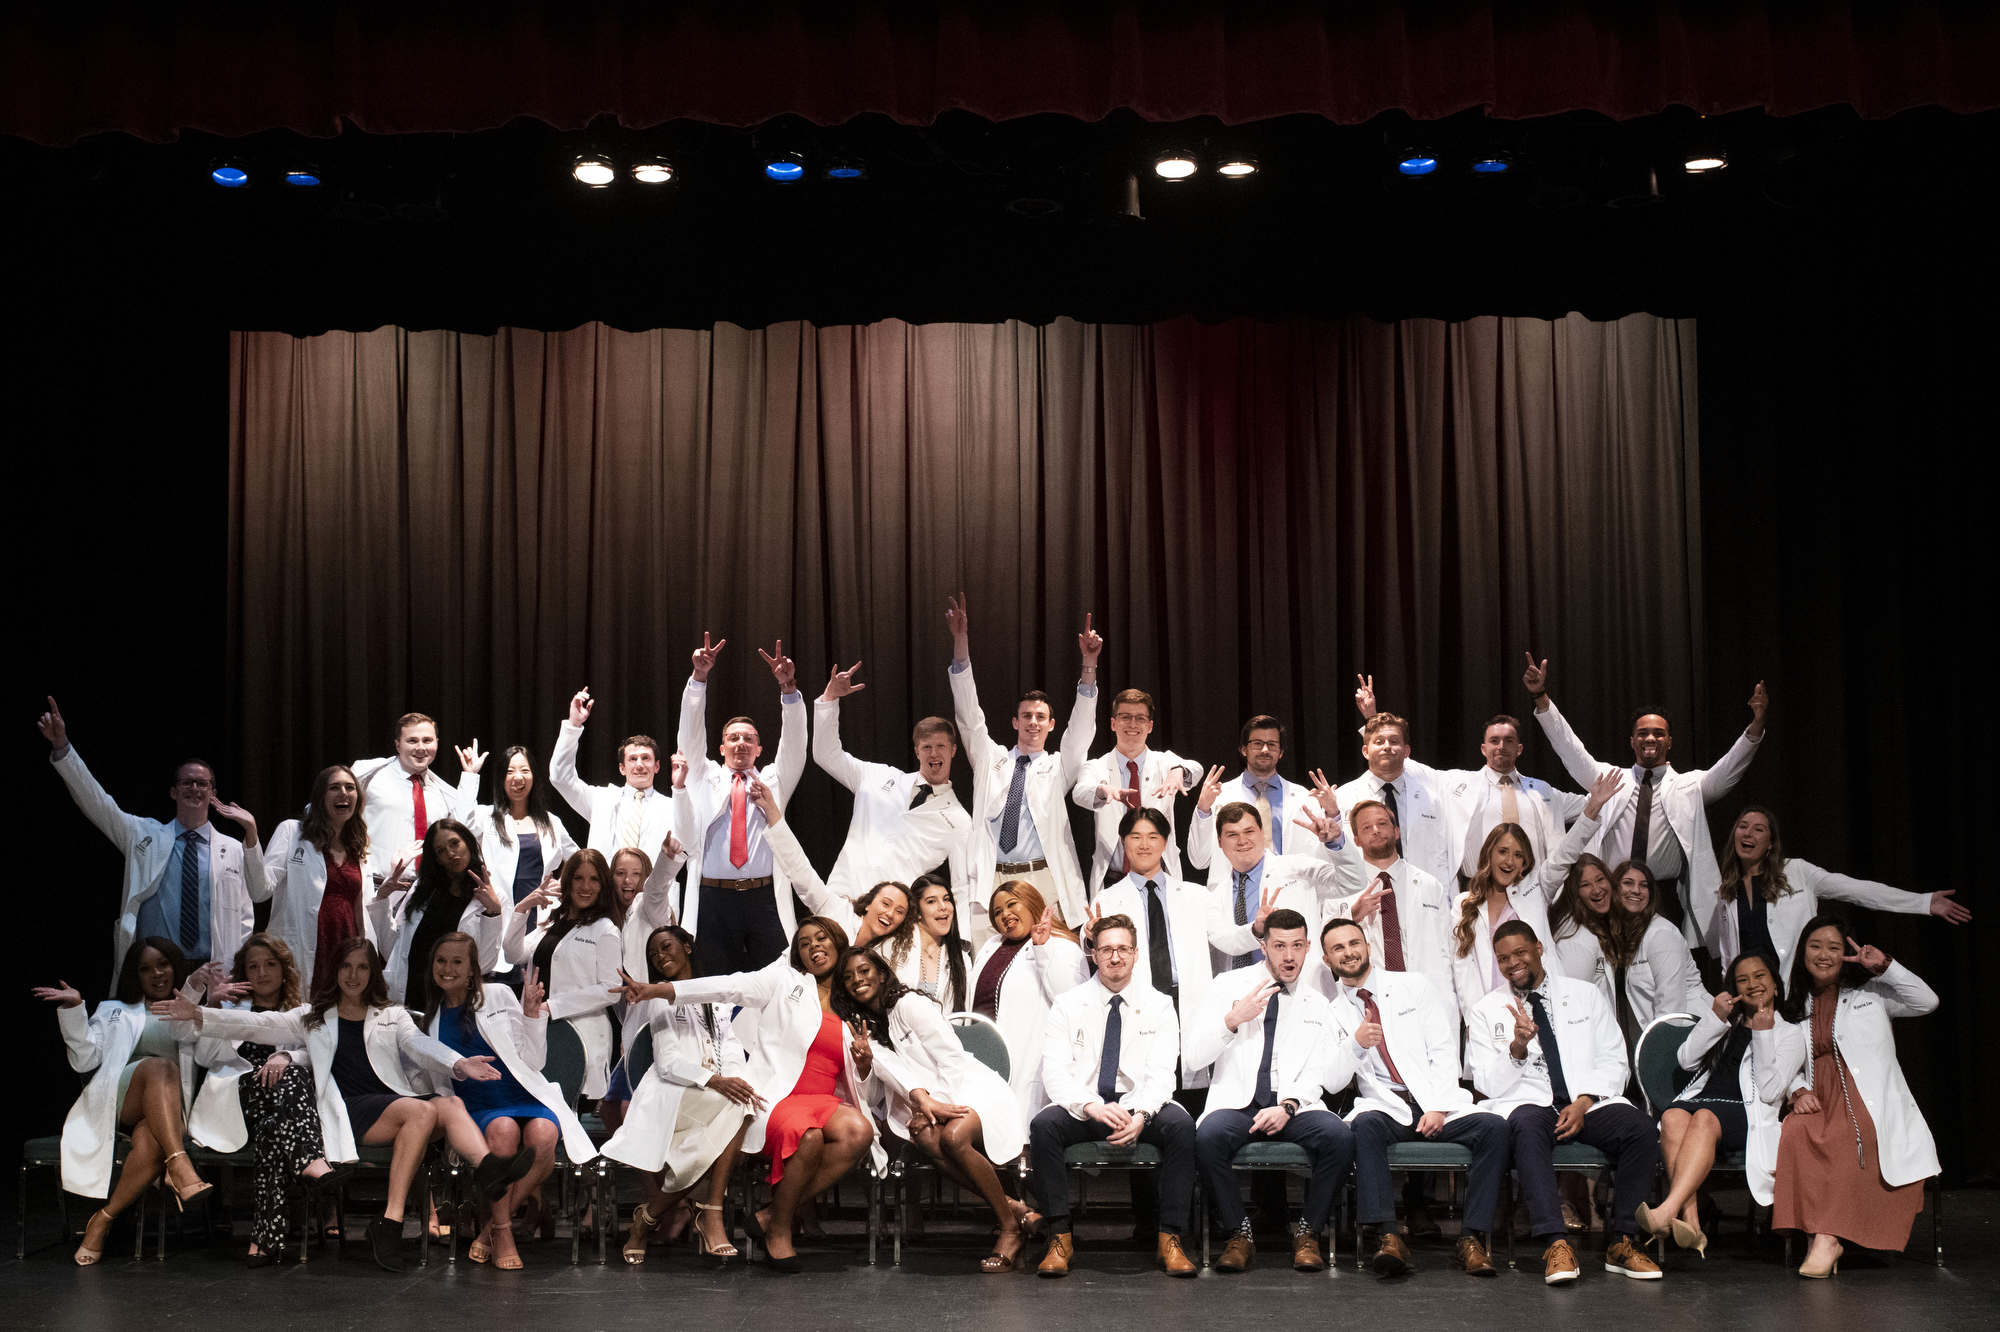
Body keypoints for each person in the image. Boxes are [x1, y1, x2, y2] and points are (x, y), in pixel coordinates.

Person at [150, 937, 530, 1272]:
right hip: (347, 1111)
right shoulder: (311, 1016)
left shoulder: (391, 1014)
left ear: (372, 973)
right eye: (347, 967)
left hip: (389, 1104)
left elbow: (419, 1044)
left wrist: (458, 1063)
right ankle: (395, 1219)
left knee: (449, 1106)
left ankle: (485, 1172)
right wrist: (199, 1013)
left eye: (363, 967)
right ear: (336, 971)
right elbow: (257, 1025)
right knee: (423, 1109)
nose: (354, 975)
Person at [620, 916, 882, 1271]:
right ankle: (779, 1232)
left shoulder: (850, 1002)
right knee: (809, 1137)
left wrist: (864, 1065)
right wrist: (662, 990)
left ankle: (772, 1214)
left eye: (821, 938)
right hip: (778, 1098)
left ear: (837, 940)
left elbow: (862, 1085)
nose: (814, 947)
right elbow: (729, 987)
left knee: (860, 1131)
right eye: (804, 943)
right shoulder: (783, 981)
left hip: (824, 1099)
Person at [1466, 921, 1663, 1284]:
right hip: (1530, 1103)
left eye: (1520, 953)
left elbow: (1614, 1059)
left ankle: (1622, 1241)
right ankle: (1557, 1243)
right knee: (1525, 1126)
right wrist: (1517, 1048)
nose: (1513, 964)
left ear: (1539, 948)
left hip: (1587, 1101)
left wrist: (1585, 1101)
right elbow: (1487, 1084)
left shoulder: (1585, 994)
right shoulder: (1485, 1009)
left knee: (1640, 1128)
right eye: (1503, 959)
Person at [1524, 653, 1767, 942]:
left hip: (1661, 896)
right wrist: (1541, 697)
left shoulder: (1690, 786)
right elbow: (1569, 748)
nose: (1650, 738)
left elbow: (1729, 770)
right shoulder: (1610, 779)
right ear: (1632, 741)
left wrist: (1756, 727)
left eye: (1658, 733)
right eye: (1642, 733)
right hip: (1611, 893)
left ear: (1669, 741)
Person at [1319, 918, 1508, 1278]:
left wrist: (1437, 1106)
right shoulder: (1332, 1013)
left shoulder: (1412, 986)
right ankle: (1389, 1236)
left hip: (1434, 1102)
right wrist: (1356, 1044)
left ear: (1368, 946)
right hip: (1387, 1107)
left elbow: (1442, 1047)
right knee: (1364, 1126)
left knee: (1494, 1128)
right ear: (1327, 959)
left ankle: (1471, 1239)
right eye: (1338, 948)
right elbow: (1333, 1081)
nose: (1349, 952)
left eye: (1354, 943)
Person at [833, 947, 1031, 1272]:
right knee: (926, 1138)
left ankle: (1009, 1228)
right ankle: (1013, 1210)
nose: (857, 980)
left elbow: (951, 1059)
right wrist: (866, 1064)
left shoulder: (910, 1004)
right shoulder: (860, 1029)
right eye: (848, 977)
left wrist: (932, 1103)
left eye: (864, 971)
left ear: (882, 974)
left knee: (952, 1137)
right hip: (925, 1106)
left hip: (972, 1088)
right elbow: (875, 1092)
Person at [41, 696, 266, 977]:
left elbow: (245, 917)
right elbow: (97, 802)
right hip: (157, 972)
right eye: (187, 782)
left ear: (213, 793)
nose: (194, 788)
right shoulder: (142, 835)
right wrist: (63, 747)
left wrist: (237, 972)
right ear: (173, 791)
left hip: (214, 973)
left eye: (202, 783)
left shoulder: (232, 848)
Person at [1029, 914, 1198, 1278]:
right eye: (1106, 949)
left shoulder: (1160, 1004)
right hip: (1086, 1105)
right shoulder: (1068, 1004)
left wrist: (1141, 1114)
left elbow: (1162, 1073)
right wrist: (1090, 1106)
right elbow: (1054, 1072)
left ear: (1136, 954)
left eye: (1123, 949)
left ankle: (1170, 1237)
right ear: (1093, 954)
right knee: (1043, 1125)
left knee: (1182, 1126)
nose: (1115, 957)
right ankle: (1059, 1236)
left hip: (1138, 1104)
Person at [1772, 916, 1939, 1278]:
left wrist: (1884, 966)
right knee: (1796, 1132)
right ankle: (1818, 1234)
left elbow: (1927, 1001)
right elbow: (1778, 1058)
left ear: (1847, 955)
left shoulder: (1871, 996)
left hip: (1867, 1098)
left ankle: (1828, 1238)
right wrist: (1796, 1089)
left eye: (1834, 947)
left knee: (1849, 1136)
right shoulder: (1793, 1007)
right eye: (1816, 946)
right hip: (1818, 1097)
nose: (1824, 955)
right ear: (1802, 953)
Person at [33, 938, 217, 1265]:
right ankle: (179, 1161)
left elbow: (197, 1046)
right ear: (135, 975)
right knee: (159, 1066)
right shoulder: (113, 1010)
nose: (157, 973)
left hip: (167, 1108)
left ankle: (102, 1219)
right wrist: (75, 1010)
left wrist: (197, 997)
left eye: (163, 964)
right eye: (146, 968)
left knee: (150, 1142)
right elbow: (84, 1059)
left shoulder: (188, 1010)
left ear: (175, 966)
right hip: (121, 1100)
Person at [1188, 909, 1352, 1275]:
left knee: (1339, 1137)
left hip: (1291, 1106)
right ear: (1263, 947)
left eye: (1297, 946)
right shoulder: (1227, 986)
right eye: (1279, 946)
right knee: (1207, 1137)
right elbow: (1195, 1057)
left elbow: (1319, 1071)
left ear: (1309, 947)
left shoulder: (1317, 1003)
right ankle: (1239, 1233)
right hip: (1238, 1103)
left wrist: (1290, 1106)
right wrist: (1232, 1020)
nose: (1289, 956)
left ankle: (1308, 1232)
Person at [419, 933, 596, 1269]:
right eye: (441, 961)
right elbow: (439, 1085)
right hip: (477, 1105)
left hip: (523, 1093)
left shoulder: (498, 994)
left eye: (458, 961)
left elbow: (534, 1060)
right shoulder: (431, 1019)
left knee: (543, 1135)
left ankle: (489, 1231)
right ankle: (504, 1232)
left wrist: (531, 1016)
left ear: (472, 968)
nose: (448, 968)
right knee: (503, 1133)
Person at [181, 934, 345, 1266]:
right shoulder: (228, 1010)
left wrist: (286, 1055)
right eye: (253, 966)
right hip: (236, 1102)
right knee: (288, 1085)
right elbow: (204, 1057)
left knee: (276, 1124)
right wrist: (212, 1006)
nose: (262, 972)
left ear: (285, 970)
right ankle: (308, 1159)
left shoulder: (304, 1012)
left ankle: (265, 1238)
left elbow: (320, 1055)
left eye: (270, 964)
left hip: (282, 1113)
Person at [945, 593, 1102, 936]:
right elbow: (969, 715)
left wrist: (1088, 668)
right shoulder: (991, 759)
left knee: (1055, 967)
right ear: (1015, 722)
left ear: (1051, 725)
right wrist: (961, 642)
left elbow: (1080, 732)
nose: (1033, 721)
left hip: (1044, 878)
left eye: (1041, 717)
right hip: (995, 876)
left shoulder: (1058, 767)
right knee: (989, 966)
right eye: (1026, 716)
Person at [603, 925, 757, 1266]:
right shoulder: (657, 1000)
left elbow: (729, 1046)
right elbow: (668, 1063)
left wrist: (736, 1079)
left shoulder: (714, 997)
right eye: (654, 954)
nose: (660, 956)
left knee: (740, 1103)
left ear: (687, 947)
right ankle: (710, 1215)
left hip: (713, 1094)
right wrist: (715, 1080)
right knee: (734, 1110)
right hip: (671, 1095)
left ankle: (649, 1218)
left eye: (667, 946)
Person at [1638, 950, 1802, 1258]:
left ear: (1776, 986)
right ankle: (1693, 1223)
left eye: (1759, 976)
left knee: (1703, 1116)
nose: (1752, 984)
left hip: (1746, 1110)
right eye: (1743, 979)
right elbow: (1685, 1060)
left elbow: (1769, 1092)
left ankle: (1667, 1211)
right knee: (1672, 1115)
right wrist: (1715, 1018)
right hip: (1706, 1101)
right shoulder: (1728, 1023)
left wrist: (1764, 1034)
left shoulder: (1789, 1034)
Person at [1351, 677, 1586, 875]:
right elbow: (1398, 758)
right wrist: (1372, 718)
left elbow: (1592, 805)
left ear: (1520, 749)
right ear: (1483, 749)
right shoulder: (1457, 784)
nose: (1501, 746)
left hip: (1534, 890)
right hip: (1479, 894)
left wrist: (1618, 786)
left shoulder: (1542, 791)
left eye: (1509, 741)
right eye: (1494, 741)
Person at [675, 632, 810, 974]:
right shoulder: (705, 777)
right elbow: (690, 735)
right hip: (714, 899)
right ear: (720, 748)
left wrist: (789, 691)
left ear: (760, 749)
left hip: (762, 898)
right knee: (712, 981)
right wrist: (699, 680)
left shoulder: (774, 781)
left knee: (777, 981)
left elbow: (794, 744)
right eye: (732, 738)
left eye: (748, 739)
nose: (740, 744)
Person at [1700, 806, 1971, 975]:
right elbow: (1729, 955)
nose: (1748, 834)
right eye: (1742, 827)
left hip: (1795, 991)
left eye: (1758, 829)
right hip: (1755, 999)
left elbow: (1858, 890)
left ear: (1771, 844)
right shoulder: (1727, 890)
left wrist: (1923, 903)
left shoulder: (1797, 872)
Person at [1449, 770, 1619, 1020]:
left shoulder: (1535, 889)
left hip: (1543, 1005)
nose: (1510, 861)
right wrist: (1476, 1019)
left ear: (1525, 862)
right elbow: (1463, 969)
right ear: (1489, 854)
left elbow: (1566, 853)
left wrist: (1592, 807)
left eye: (1518, 855)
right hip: (1493, 1011)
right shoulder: (1464, 904)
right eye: (1503, 852)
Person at [813, 660, 974, 915]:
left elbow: (963, 888)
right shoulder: (876, 776)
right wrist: (830, 698)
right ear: (916, 751)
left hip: (891, 915)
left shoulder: (960, 821)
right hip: (841, 899)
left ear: (953, 751)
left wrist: (964, 944)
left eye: (941, 746)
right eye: (926, 747)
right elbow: (825, 754)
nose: (934, 753)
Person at [1093, 806, 1215, 1093]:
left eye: (1153, 836)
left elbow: (1228, 940)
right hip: (1141, 1000)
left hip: (1187, 999)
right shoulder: (1107, 899)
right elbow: (1097, 955)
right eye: (1135, 837)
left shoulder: (1196, 895)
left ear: (1165, 842)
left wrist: (1257, 929)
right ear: (1124, 843)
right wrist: (1090, 940)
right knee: (1145, 1087)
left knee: (1192, 1090)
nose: (1144, 844)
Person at [503, 848, 625, 1099]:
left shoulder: (606, 929)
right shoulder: (550, 921)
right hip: (539, 1030)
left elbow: (611, 989)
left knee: (569, 1109)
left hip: (580, 1035)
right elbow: (513, 954)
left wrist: (552, 1006)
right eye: (579, 878)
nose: (585, 886)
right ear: (568, 882)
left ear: (603, 885)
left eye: (594, 879)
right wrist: (523, 908)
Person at [1326, 799, 1457, 1029]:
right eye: (1366, 827)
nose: (1376, 830)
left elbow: (1448, 950)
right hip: (1372, 1002)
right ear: (1355, 840)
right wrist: (1353, 915)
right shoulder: (1341, 891)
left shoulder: (1429, 885)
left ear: (1396, 831)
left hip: (1428, 999)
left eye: (1382, 824)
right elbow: (1327, 951)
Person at [968, 880, 1089, 1115]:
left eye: (1012, 904)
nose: (1005, 914)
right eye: (997, 912)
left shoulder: (1061, 945)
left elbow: (1071, 999)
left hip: (1028, 1058)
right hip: (984, 1054)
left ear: (1032, 903)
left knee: (1020, 1132)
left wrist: (1042, 949)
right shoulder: (991, 946)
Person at [752, 775, 911, 950]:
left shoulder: (890, 953)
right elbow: (799, 870)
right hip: (792, 974)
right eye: (886, 904)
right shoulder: (837, 910)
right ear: (868, 904)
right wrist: (772, 810)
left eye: (899, 912)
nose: (889, 914)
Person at [1071, 688, 1202, 892]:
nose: (1133, 724)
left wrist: (1178, 771)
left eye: (1140, 718)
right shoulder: (1096, 766)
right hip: (1114, 878)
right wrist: (1102, 791)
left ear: (1149, 726)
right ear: (1113, 723)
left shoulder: (1164, 761)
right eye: (1125, 717)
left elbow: (1196, 768)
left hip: (1161, 875)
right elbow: (1079, 793)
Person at [466, 743, 580, 974]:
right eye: (510, 771)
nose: (518, 777)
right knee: (499, 978)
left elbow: (580, 860)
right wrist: (470, 776)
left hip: (539, 914)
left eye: (524, 770)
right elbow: (461, 825)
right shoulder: (486, 816)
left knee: (535, 981)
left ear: (534, 776)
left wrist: (565, 885)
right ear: (501, 779)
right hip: (499, 910)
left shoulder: (551, 822)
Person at [368, 817, 505, 1009]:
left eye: (455, 843)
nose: (450, 853)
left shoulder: (492, 898)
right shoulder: (422, 889)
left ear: (468, 842)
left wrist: (493, 913)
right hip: (408, 997)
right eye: (441, 851)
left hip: (450, 1004)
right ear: (436, 859)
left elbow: (484, 964)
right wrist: (382, 899)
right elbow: (393, 949)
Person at [1202, 801, 1345, 976]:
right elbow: (1225, 941)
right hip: (1245, 991)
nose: (1242, 841)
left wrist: (1336, 843)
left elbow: (1350, 882)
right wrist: (1257, 930)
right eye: (1232, 834)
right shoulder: (1215, 895)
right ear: (1219, 841)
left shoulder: (1298, 868)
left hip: (1303, 985)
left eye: (1249, 831)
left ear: (1262, 833)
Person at [265, 764, 372, 992]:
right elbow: (260, 890)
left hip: (346, 943)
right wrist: (252, 838)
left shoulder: (358, 845)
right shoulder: (292, 832)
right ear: (321, 796)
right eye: (334, 787)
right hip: (304, 942)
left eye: (350, 787)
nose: (343, 793)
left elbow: (360, 907)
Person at [1185, 715, 1342, 870]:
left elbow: (1326, 860)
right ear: (1243, 749)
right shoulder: (1218, 796)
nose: (1265, 750)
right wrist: (1203, 809)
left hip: (1290, 888)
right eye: (1257, 743)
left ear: (1281, 752)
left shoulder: (1304, 797)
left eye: (1272, 744)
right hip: (1236, 891)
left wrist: (1332, 813)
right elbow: (1199, 860)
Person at [1334, 711, 1457, 892]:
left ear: (1406, 751)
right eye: (1379, 742)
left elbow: (1444, 857)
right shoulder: (1343, 798)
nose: (1387, 746)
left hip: (1422, 896)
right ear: (1365, 751)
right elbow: (1340, 859)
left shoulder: (1432, 798)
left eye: (1394, 741)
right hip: (1367, 895)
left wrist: (1448, 902)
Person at [549, 686, 679, 858]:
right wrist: (573, 726)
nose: (639, 765)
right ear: (622, 768)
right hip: (607, 884)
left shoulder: (672, 807)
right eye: (632, 759)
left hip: (653, 884)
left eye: (646, 758)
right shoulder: (600, 800)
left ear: (657, 766)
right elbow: (561, 778)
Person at [351, 711, 482, 878]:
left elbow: (464, 830)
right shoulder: (370, 776)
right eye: (412, 741)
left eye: (427, 740)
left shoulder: (441, 791)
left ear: (437, 743)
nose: (421, 747)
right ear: (398, 745)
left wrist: (470, 776)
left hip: (424, 892)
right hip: (376, 887)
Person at [1606, 860, 1708, 1051]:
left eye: (1644, 885)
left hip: (1683, 1041)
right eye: (1628, 883)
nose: (1636, 890)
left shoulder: (1661, 934)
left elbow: (1670, 1006)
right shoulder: (1619, 936)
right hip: (1643, 1041)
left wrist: (1660, 1058)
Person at [884, 874, 973, 1011]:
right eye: (932, 901)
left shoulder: (962, 959)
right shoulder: (892, 949)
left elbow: (963, 1015)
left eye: (947, 899)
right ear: (917, 912)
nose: (943, 907)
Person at [1546, 854, 1621, 1005]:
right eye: (1585, 885)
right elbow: (1574, 1002)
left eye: (1600, 879)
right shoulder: (1575, 941)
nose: (1596, 889)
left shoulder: (1602, 922)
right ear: (1575, 892)